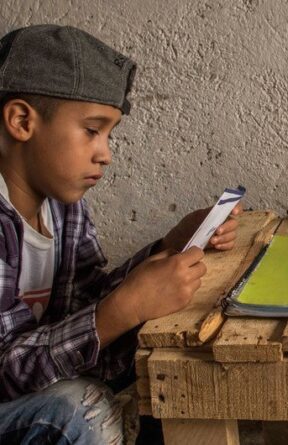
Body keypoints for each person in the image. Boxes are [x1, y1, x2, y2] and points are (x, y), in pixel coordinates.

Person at [0, 25, 241, 444]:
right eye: (92, 130)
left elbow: (83, 306)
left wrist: (170, 247)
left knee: (163, 344)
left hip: (29, 386)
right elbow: (5, 370)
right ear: (22, 121)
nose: (105, 154)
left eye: (109, 135)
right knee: (77, 412)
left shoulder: (63, 207)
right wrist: (120, 310)